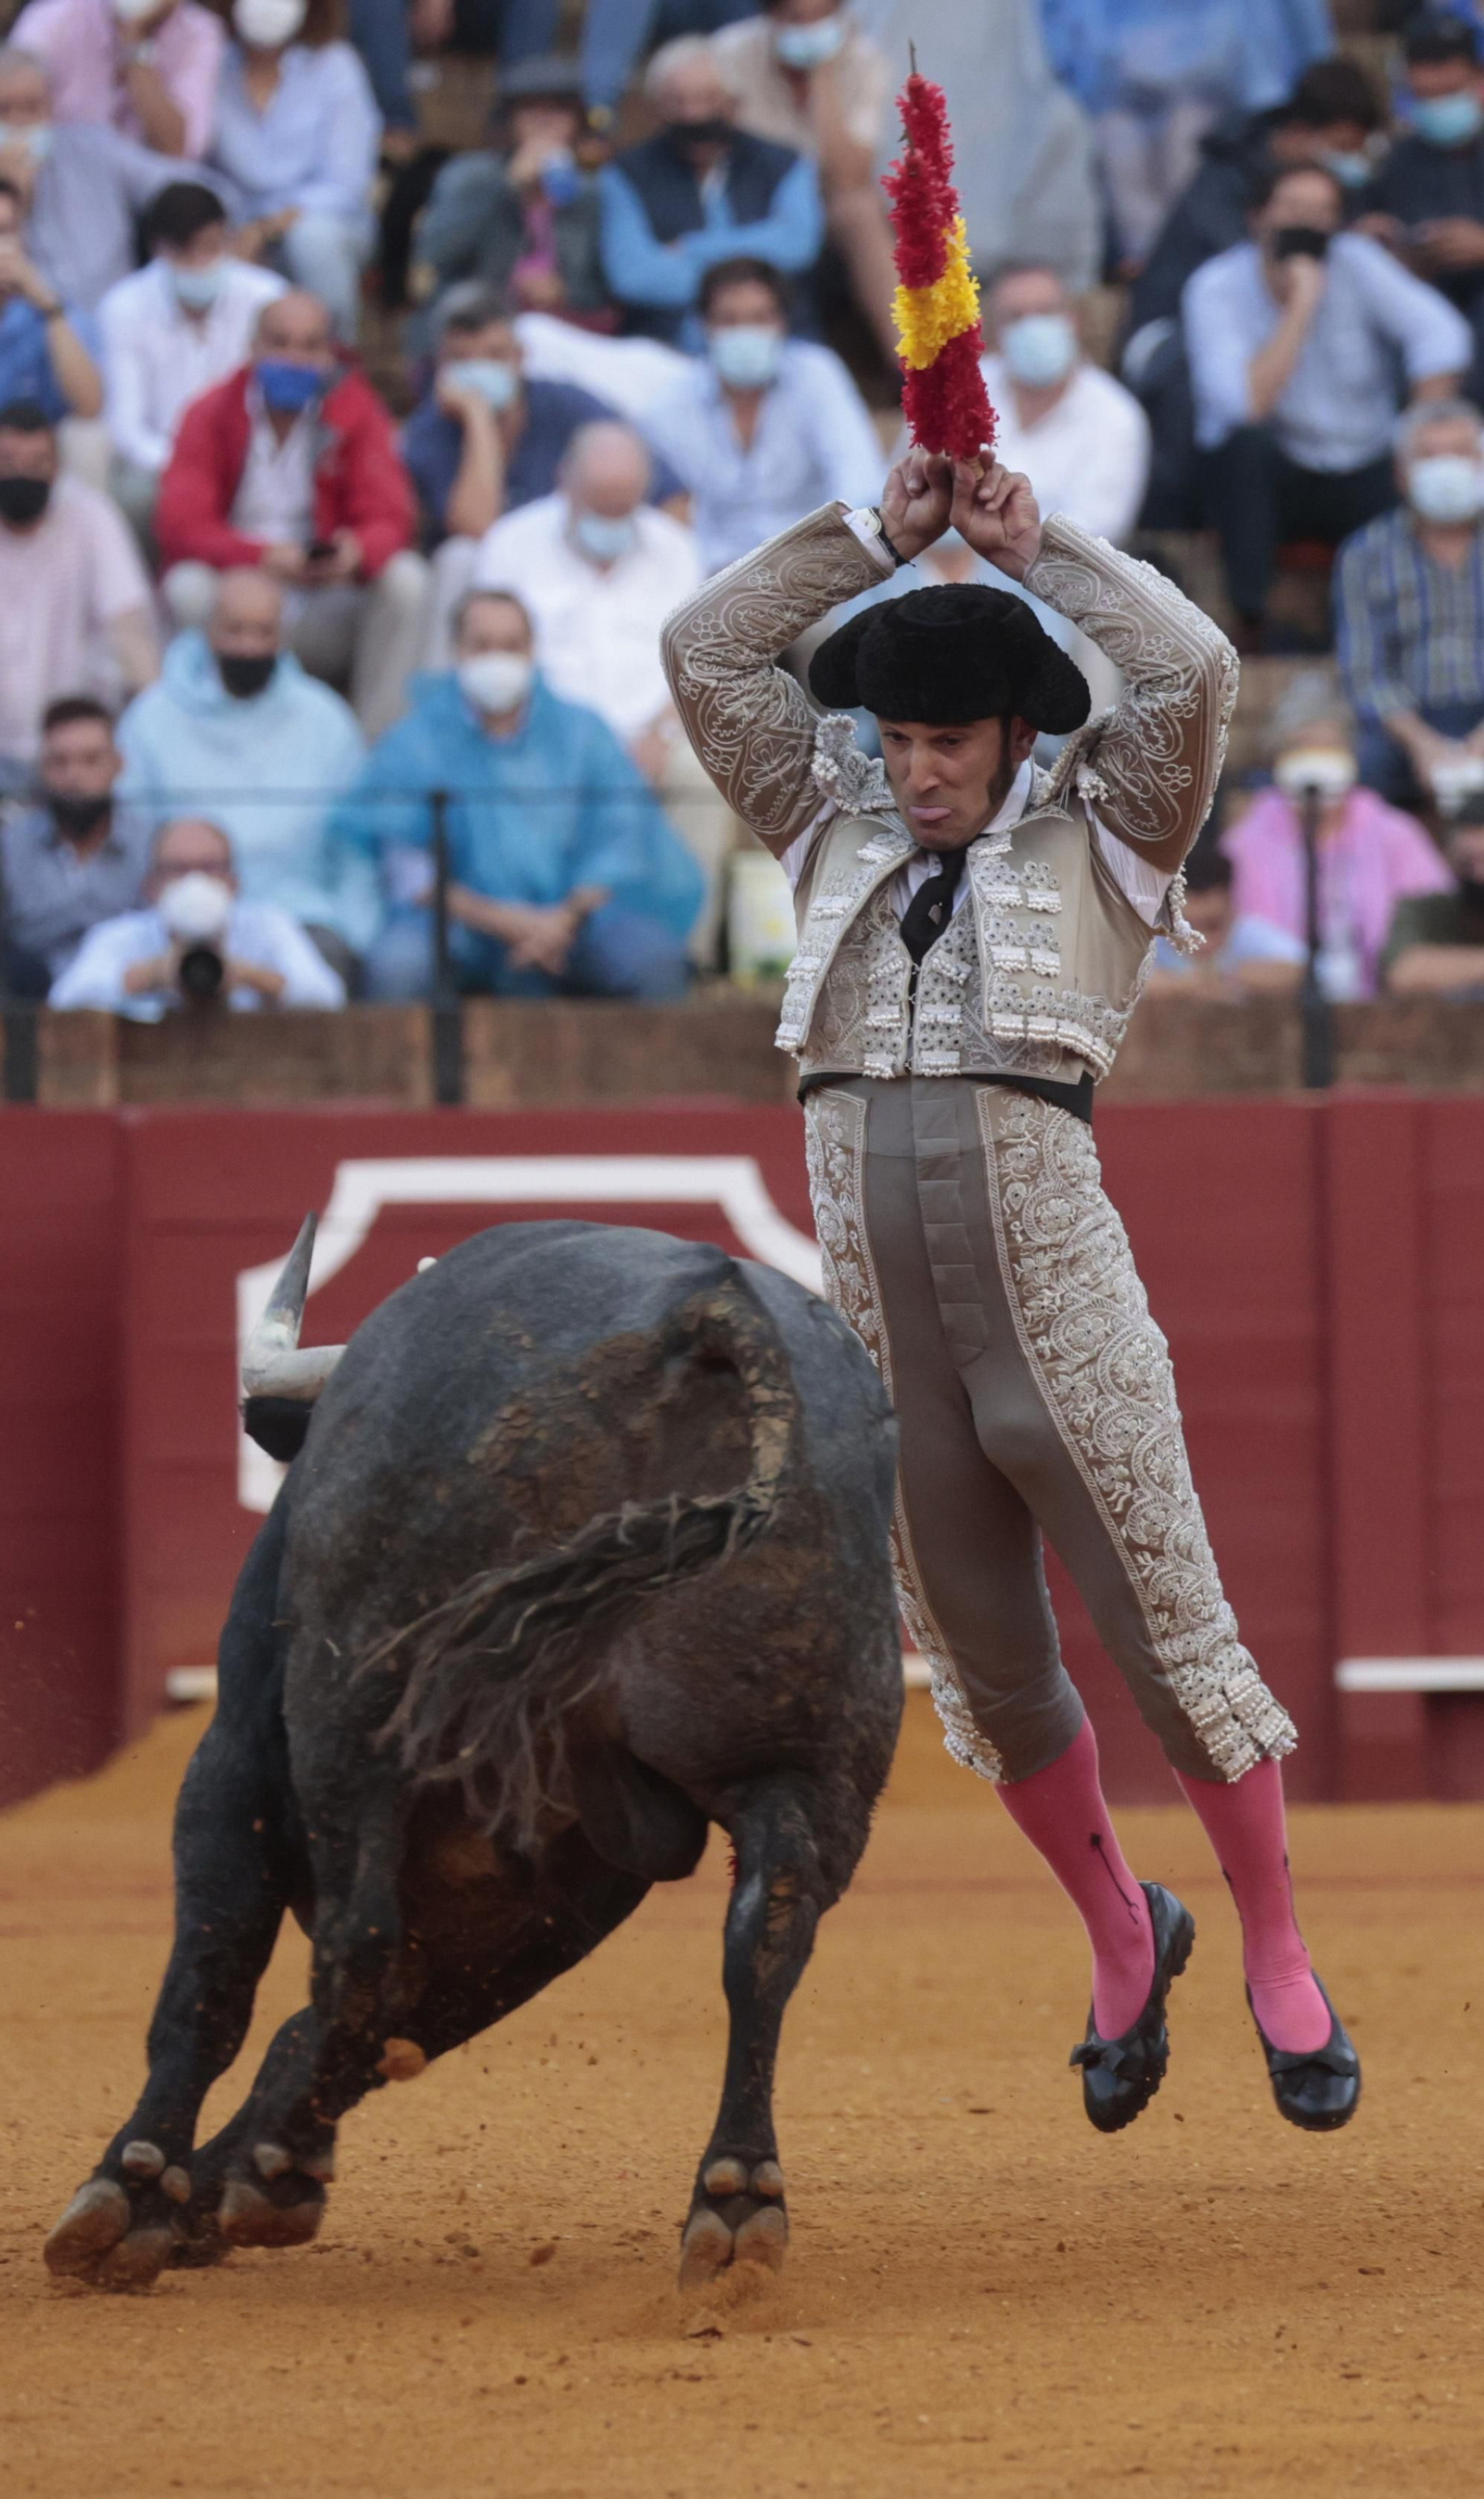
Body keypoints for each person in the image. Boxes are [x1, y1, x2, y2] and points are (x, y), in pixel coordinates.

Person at [663, 446, 1362, 2136]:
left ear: (1017, 737)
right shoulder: (819, 815)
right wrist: (869, 539)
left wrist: (1041, 553)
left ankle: (1275, 1943)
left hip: (1067, 1331)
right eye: (897, 741)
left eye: (948, 743)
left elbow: (1192, 669)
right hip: (900, 1359)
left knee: (1175, 1644)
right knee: (987, 1672)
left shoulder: (1114, 833)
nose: (916, 773)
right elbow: (705, 651)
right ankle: (1128, 1931)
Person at [334, 586, 702, 1002]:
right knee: (397, 968)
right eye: (483, 645)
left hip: (580, 922)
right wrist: (512, 922)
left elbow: (620, 844)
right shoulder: (415, 743)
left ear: (532, 651)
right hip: (458, 923)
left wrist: (562, 920)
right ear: (457, 650)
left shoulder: (583, 734)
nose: (498, 659)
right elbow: (412, 875)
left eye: (511, 645)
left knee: (655, 964)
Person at [472, 420, 730, 960]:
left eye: (624, 507)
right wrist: (577, 746)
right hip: (542, 734)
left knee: (703, 773)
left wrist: (661, 734)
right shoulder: (510, 544)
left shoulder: (677, 549)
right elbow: (490, 654)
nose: (611, 520)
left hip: (651, 736)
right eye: (598, 504)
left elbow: (701, 666)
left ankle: (686, 958)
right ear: (565, 480)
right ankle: (526, 943)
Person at [1184, 160, 1471, 639]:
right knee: (1243, 450)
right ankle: (1252, 624)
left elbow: (1443, 336)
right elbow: (1243, 405)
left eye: (1323, 213)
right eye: (1294, 208)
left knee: (1427, 467)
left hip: (1363, 463)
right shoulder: (1215, 286)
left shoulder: (1356, 259)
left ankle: (1404, 633)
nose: (1308, 224)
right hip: (1279, 473)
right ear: (1258, 216)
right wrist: (1301, 304)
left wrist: (1418, 429)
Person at [1122, 56, 1387, 527]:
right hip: (1170, 331)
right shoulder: (1224, 184)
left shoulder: (1322, 189)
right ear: (1301, 135)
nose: (1350, 162)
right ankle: (1176, 521)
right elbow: (1260, 281)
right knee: (1212, 382)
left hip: (1261, 329)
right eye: (1341, 147)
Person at [156, 289, 428, 737]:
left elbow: (392, 517)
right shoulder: (211, 411)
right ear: (253, 347)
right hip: (238, 588)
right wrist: (262, 558)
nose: (294, 358)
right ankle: (199, 732)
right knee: (186, 586)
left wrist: (355, 553)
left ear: (329, 355)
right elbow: (180, 526)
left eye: (310, 346)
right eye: (279, 343)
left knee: (407, 581)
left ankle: (375, 749)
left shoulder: (356, 409)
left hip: (323, 596)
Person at [117, 567, 375, 976]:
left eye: (263, 632)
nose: (249, 647)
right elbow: (130, 834)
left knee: (327, 966)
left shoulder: (326, 719)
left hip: (301, 915)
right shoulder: (151, 717)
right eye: (235, 630)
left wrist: (357, 930)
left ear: (284, 637)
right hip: (176, 919)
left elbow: (356, 844)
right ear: (208, 632)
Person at [401, 286, 683, 647]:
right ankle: (444, 697)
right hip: (483, 601)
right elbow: (478, 529)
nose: (479, 371)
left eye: (494, 356)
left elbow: (673, 498)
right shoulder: (430, 431)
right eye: (463, 360)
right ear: (441, 367)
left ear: (520, 357)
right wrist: (477, 418)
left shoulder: (566, 405)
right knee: (460, 558)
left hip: (573, 570)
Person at [640, 255, 881, 573]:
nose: (745, 332)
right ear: (704, 326)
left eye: (759, 319)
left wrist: (823, 561)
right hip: (710, 581)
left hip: (816, 570)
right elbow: (662, 515)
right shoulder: (670, 405)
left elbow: (859, 479)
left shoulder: (817, 375)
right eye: (729, 320)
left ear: (782, 324)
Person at [1222, 673, 1451, 998]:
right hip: (1278, 1009)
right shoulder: (1246, 840)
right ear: (1277, 757)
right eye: (1301, 747)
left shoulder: (1396, 833)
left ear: (1351, 756)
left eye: (1328, 747)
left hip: (1383, 1010)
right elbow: (1230, 942)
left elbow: (1432, 931)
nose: (1315, 759)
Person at [598, 37, 824, 347]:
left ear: (733, 102)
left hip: (780, 339)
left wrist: (693, 248)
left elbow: (796, 245)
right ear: (657, 107)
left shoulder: (783, 163)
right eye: (678, 101)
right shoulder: (626, 173)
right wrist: (746, 283)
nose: (693, 115)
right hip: (666, 343)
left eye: (707, 99)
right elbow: (633, 275)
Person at [97, 181, 286, 541]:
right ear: (157, 249)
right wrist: (191, 466)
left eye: (211, 248)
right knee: (133, 495)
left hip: (254, 456)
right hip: (162, 460)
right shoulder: (122, 307)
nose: (200, 263)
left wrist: (234, 463)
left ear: (228, 240)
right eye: (185, 253)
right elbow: (128, 429)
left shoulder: (269, 298)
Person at [710, 0, 897, 361]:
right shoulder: (728, 54)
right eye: (797, 18)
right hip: (754, 205)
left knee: (862, 209)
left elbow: (848, 176)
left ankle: (921, 376)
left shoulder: (866, 61)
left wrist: (822, 81)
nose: (810, 28)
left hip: (828, 207)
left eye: (822, 16)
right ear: (771, 17)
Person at [1336, 397, 1484, 808]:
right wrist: (1423, 744)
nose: (1447, 467)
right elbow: (1365, 673)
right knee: (1367, 771)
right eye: (1429, 456)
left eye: (1460, 452)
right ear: (1401, 475)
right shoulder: (1365, 553)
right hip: (1406, 723)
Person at [49, 811, 346, 1013]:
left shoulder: (268, 926)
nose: (195, 881)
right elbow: (64, 1002)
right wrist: (151, 975)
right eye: (177, 869)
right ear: (151, 885)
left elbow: (327, 996)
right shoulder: (119, 935)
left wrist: (248, 975)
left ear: (233, 883)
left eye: (209, 867)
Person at [206, 0, 381, 340]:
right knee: (199, 247)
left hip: (325, 223)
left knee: (312, 241)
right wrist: (230, 232)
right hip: (235, 225)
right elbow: (200, 167)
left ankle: (335, 361)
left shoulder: (335, 65)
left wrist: (266, 228)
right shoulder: (212, 63)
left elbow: (345, 185)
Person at [0, 399, 158, 772]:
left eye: (36, 464)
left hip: (69, 756)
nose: (22, 474)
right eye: (7, 463)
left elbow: (131, 631)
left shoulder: (91, 517)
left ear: (57, 468)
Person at [0, 45, 201, 313]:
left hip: (115, 327)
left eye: (32, 107)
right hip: (23, 341)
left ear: (51, 106)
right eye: (4, 110)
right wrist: (14, 196)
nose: (19, 122)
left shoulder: (93, 148)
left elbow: (194, 189)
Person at [413, 56, 609, 327]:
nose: (544, 122)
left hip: (566, 327)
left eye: (558, 110)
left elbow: (612, 285)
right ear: (507, 120)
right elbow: (433, 255)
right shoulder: (472, 176)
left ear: (578, 121)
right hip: (483, 324)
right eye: (530, 110)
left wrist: (565, 291)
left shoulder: (594, 190)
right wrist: (505, 188)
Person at [1362, 14, 1484, 404]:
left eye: (1448, 93)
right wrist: (1387, 249)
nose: (1437, 107)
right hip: (1429, 334)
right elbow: (1368, 227)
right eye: (1424, 97)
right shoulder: (1400, 161)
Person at [982, 263, 1150, 545]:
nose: (1031, 327)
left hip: (1059, 582)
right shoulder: (958, 391)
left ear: (1074, 320)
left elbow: (1096, 531)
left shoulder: (1116, 415)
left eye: (1046, 312)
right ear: (995, 331)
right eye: (1015, 317)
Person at [0, 694, 151, 993]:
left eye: (91, 760)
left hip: (130, 1002)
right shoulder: (9, 848)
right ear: (41, 768)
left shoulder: (152, 846)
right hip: (27, 1009)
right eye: (59, 762)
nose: (74, 775)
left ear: (118, 764)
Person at [9, 0, 224, 158]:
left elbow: (178, 150)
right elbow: (13, 118)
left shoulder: (200, 32)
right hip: (60, 176)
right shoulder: (52, 18)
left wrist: (136, 47)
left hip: (149, 192)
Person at [0, 176, 100, 423]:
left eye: (5, 232)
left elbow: (90, 407)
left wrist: (48, 308)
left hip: (34, 455)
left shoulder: (52, 310)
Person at [1383, 793, 1484, 992]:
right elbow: (1403, 971)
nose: (1480, 874)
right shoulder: (1427, 910)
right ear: (1449, 857)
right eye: (1469, 862)